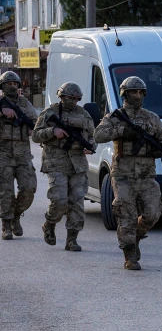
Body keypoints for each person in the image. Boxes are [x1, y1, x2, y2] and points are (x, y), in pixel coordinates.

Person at [94, 76, 162, 270]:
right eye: (133, 92)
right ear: (124, 94)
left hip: (146, 175)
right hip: (123, 175)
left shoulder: (152, 118)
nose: (137, 95)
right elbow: (98, 135)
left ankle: (135, 236)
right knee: (125, 214)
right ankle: (130, 255)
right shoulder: (115, 117)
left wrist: (158, 149)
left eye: (140, 92)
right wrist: (121, 131)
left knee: (153, 213)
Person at [33, 83, 96, 252]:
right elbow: (35, 135)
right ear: (61, 97)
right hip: (56, 162)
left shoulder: (84, 114)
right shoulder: (50, 112)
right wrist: (52, 131)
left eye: (76, 99)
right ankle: (49, 223)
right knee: (59, 200)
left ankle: (72, 239)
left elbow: (92, 135)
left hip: (78, 164)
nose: (73, 101)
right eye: (69, 98)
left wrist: (90, 145)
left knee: (76, 202)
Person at [0, 71, 38, 240]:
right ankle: (6, 223)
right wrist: (2, 112)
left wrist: (33, 128)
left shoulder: (24, 103)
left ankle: (16, 215)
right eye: (9, 83)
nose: (12, 86)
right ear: (2, 86)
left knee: (29, 188)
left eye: (15, 84)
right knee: (5, 192)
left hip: (23, 154)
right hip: (3, 154)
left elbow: (36, 121)